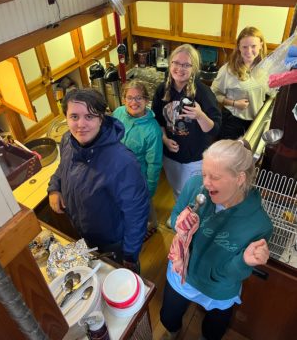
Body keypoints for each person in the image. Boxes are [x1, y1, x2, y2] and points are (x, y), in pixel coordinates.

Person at [160, 139, 273, 340]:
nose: (205, 182)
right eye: (204, 174)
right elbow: (177, 212)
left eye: (214, 177)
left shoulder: (259, 225)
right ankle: (173, 332)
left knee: (214, 331)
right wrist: (181, 222)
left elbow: (233, 273)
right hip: (182, 269)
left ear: (239, 179)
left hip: (219, 288)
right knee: (168, 316)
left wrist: (244, 261)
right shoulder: (196, 187)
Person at [48, 88, 150, 272]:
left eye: (89, 116)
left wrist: (130, 254)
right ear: (66, 118)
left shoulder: (123, 162)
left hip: (114, 243)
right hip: (83, 233)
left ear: (101, 118)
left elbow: (136, 212)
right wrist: (55, 187)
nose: (81, 124)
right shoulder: (67, 141)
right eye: (74, 117)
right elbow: (62, 168)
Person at [152, 44, 221, 225]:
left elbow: (214, 129)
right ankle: (182, 218)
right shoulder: (162, 90)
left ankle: (193, 222)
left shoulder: (203, 93)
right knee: (177, 190)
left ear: (194, 69)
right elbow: (157, 120)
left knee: (194, 193)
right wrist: (165, 139)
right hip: (171, 155)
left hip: (194, 157)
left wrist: (199, 115)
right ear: (170, 64)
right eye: (176, 63)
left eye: (186, 65)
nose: (179, 68)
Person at [113, 80, 163, 232]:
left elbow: (154, 164)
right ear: (123, 99)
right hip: (117, 172)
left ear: (146, 101)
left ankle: (152, 225)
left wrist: (150, 191)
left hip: (138, 179)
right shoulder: (118, 113)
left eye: (139, 98)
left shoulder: (152, 130)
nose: (133, 102)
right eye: (129, 97)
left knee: (144, 204)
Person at [211, 26, 273, 140]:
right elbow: (213, 94)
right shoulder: (228, 70)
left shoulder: (266, 68)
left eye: (253, 46)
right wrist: (234, 103)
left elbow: (270, 92)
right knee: (229, 156)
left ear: (260, 45)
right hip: (232, 122)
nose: (249, 51)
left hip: (256, 121)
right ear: (238, 47)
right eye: (244, 47)